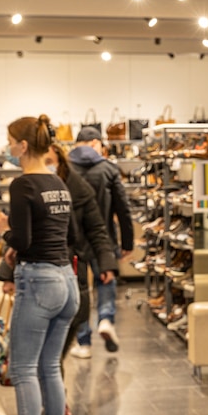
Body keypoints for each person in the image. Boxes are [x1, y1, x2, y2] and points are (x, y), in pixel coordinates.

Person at [0, 114, 79, 415]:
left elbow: (24, 240)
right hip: (67, 282)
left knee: (25, 368)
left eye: (10, 141)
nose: (8, 148)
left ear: (24, 146)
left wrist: (2, 234)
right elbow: (71, 235)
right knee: (49, 367)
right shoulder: (59, 183)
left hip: (39, 281)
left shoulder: (23, 184)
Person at [43, 143, 116, 415]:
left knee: (58, 346)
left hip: (74, 273)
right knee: (49, 351)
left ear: (60, 160)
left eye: (49, 160)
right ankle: (55, 400)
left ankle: (54, 398)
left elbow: (96, 228)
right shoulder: (32, 186)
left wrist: (106, 262)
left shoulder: (78, 188)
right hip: (41, 277)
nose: (45, 164)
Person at [68, 126, 134, 355]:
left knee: (79, 289)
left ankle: (83, 341)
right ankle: (105, 319)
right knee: (106, 280)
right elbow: (123, 209)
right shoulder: (108, 169)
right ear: (95, 143)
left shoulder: (64, 169)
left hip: (74, 241)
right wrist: (127, 242)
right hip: (103, 237)